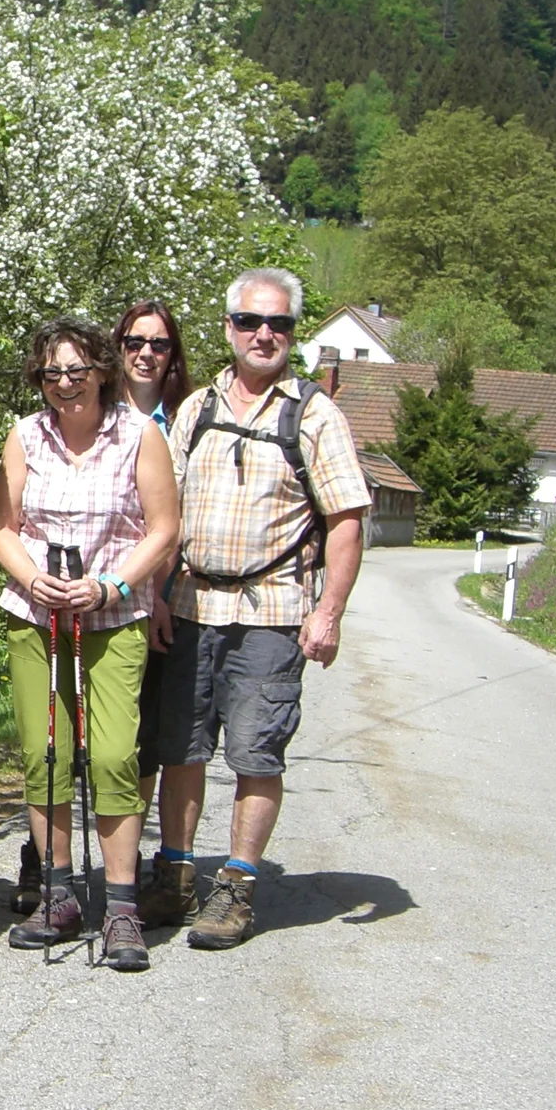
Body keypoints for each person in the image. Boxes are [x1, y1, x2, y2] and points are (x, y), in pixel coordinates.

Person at [142, 269, 369, 948]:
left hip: (272, 612)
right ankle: (175, 875)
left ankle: (235, 889)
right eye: (249, 322)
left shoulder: (316, 414)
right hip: (189, 604)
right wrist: (155, 592)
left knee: (255, 753)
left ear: (294, 333)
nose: (264, 335)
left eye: (279, 324)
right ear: (228, 328)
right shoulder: (197, 409)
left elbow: (349, 520)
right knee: (180, 749)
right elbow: (166, 512)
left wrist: (327, 611)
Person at [0, 319, 179, 972]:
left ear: (102, 369)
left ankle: (122, 906)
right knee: (46, 753)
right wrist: (32, 578)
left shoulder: (138, 434)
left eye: (76, 371)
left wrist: (109, 586)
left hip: (113, 614)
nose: (65, 384)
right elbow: (3, 531)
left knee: (113, 753)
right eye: (51, 374)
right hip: (36, 615)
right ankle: (59, 892)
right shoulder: (23, 436)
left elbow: (163, 529)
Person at [111, 300, 193, 874]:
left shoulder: (187, 420)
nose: (146, 353)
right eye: (135, 342)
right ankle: (44, 857)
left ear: (173, 356)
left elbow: (178, 520)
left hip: (164, 599)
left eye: (159, 344)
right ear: (118, 348)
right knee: (77, 731)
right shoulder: (90, 411)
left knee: (139, 736)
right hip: (97, 596)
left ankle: (129, 854)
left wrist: (163, 594)